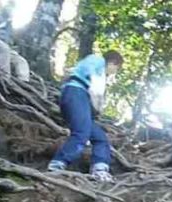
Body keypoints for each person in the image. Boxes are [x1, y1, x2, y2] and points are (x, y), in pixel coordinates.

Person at [47, 51, 124, 182]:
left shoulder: (88, 62)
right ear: (112, 63)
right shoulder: (98, 61)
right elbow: (96, 90)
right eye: (116, 68)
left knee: (100, 137)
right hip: (77, 94)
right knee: (81, 133)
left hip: (75, 98)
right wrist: (98, 108)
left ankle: (100, 169)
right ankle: (58, 163)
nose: (114, 72)